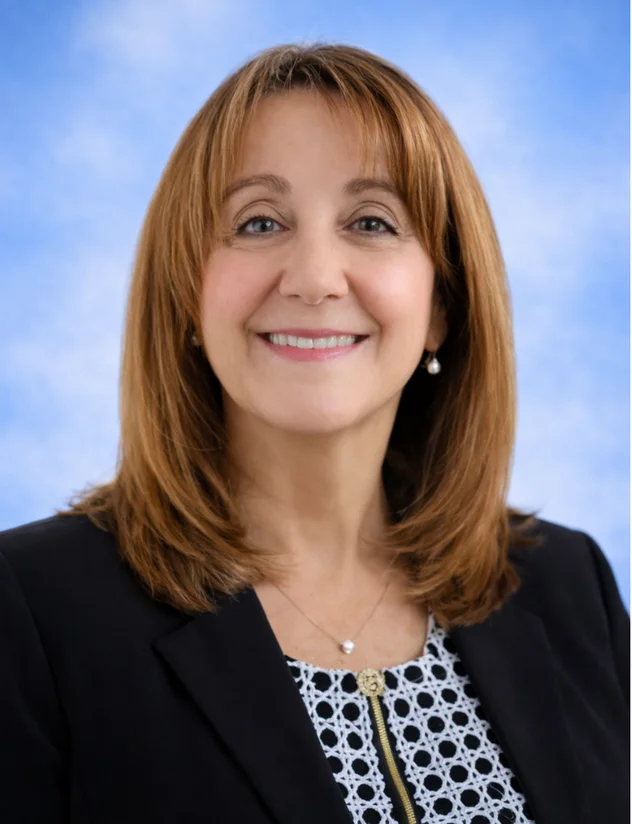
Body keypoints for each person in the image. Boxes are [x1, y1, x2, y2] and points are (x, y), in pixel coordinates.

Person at [0, 42, 628, 824]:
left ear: (441, 305)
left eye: (372, 221)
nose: (314, 276)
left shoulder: (568, 584)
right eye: (258, 222)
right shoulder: (29, 607)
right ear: (188, 294)